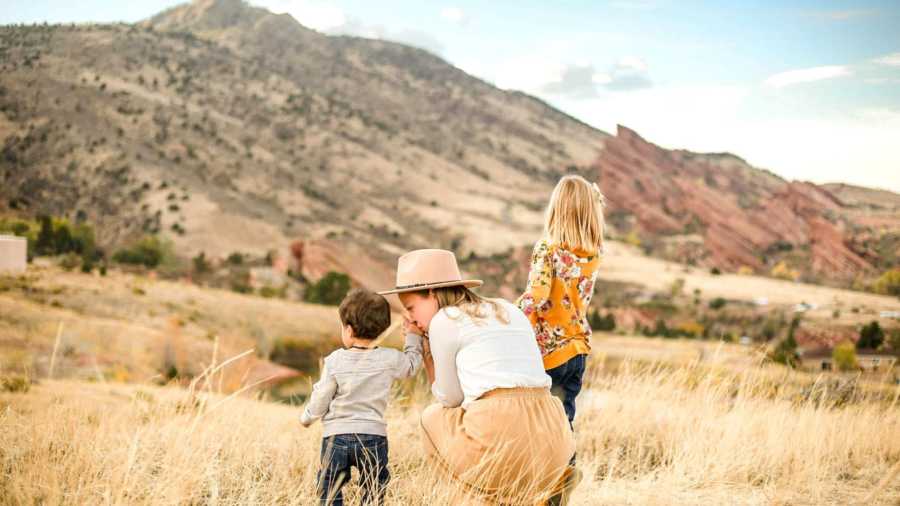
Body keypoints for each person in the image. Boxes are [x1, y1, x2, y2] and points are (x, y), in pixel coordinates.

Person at [379, 249, 574, 505]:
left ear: (432, 293)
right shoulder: (508, 309)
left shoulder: (444, 320)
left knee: (431, 419)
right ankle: (540, 489)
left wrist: (426, 352)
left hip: (501, 427)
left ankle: (478, 499)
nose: (410, 318)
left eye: (411, 307)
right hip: (553, 429)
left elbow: (449, 399)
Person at [517, 174, 606, 502]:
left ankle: (543, 485)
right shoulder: (593, 254)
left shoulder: (547, 248)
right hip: (578, 349)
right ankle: (565, 471)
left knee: (537, 424)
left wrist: (507, 315)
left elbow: (536, 297)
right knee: (564, 417)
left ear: (557, 209)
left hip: (547, 353)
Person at [300, 288, 423, 505]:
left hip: (336, 437)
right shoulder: (389, 359)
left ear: (348, 329)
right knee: (374, 487)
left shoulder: (335, 360)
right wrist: (413, 335)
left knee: (329, 487)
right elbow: (412, 366)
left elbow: (322, 396)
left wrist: (308, 416)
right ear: (382, 328)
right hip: (373, 437)